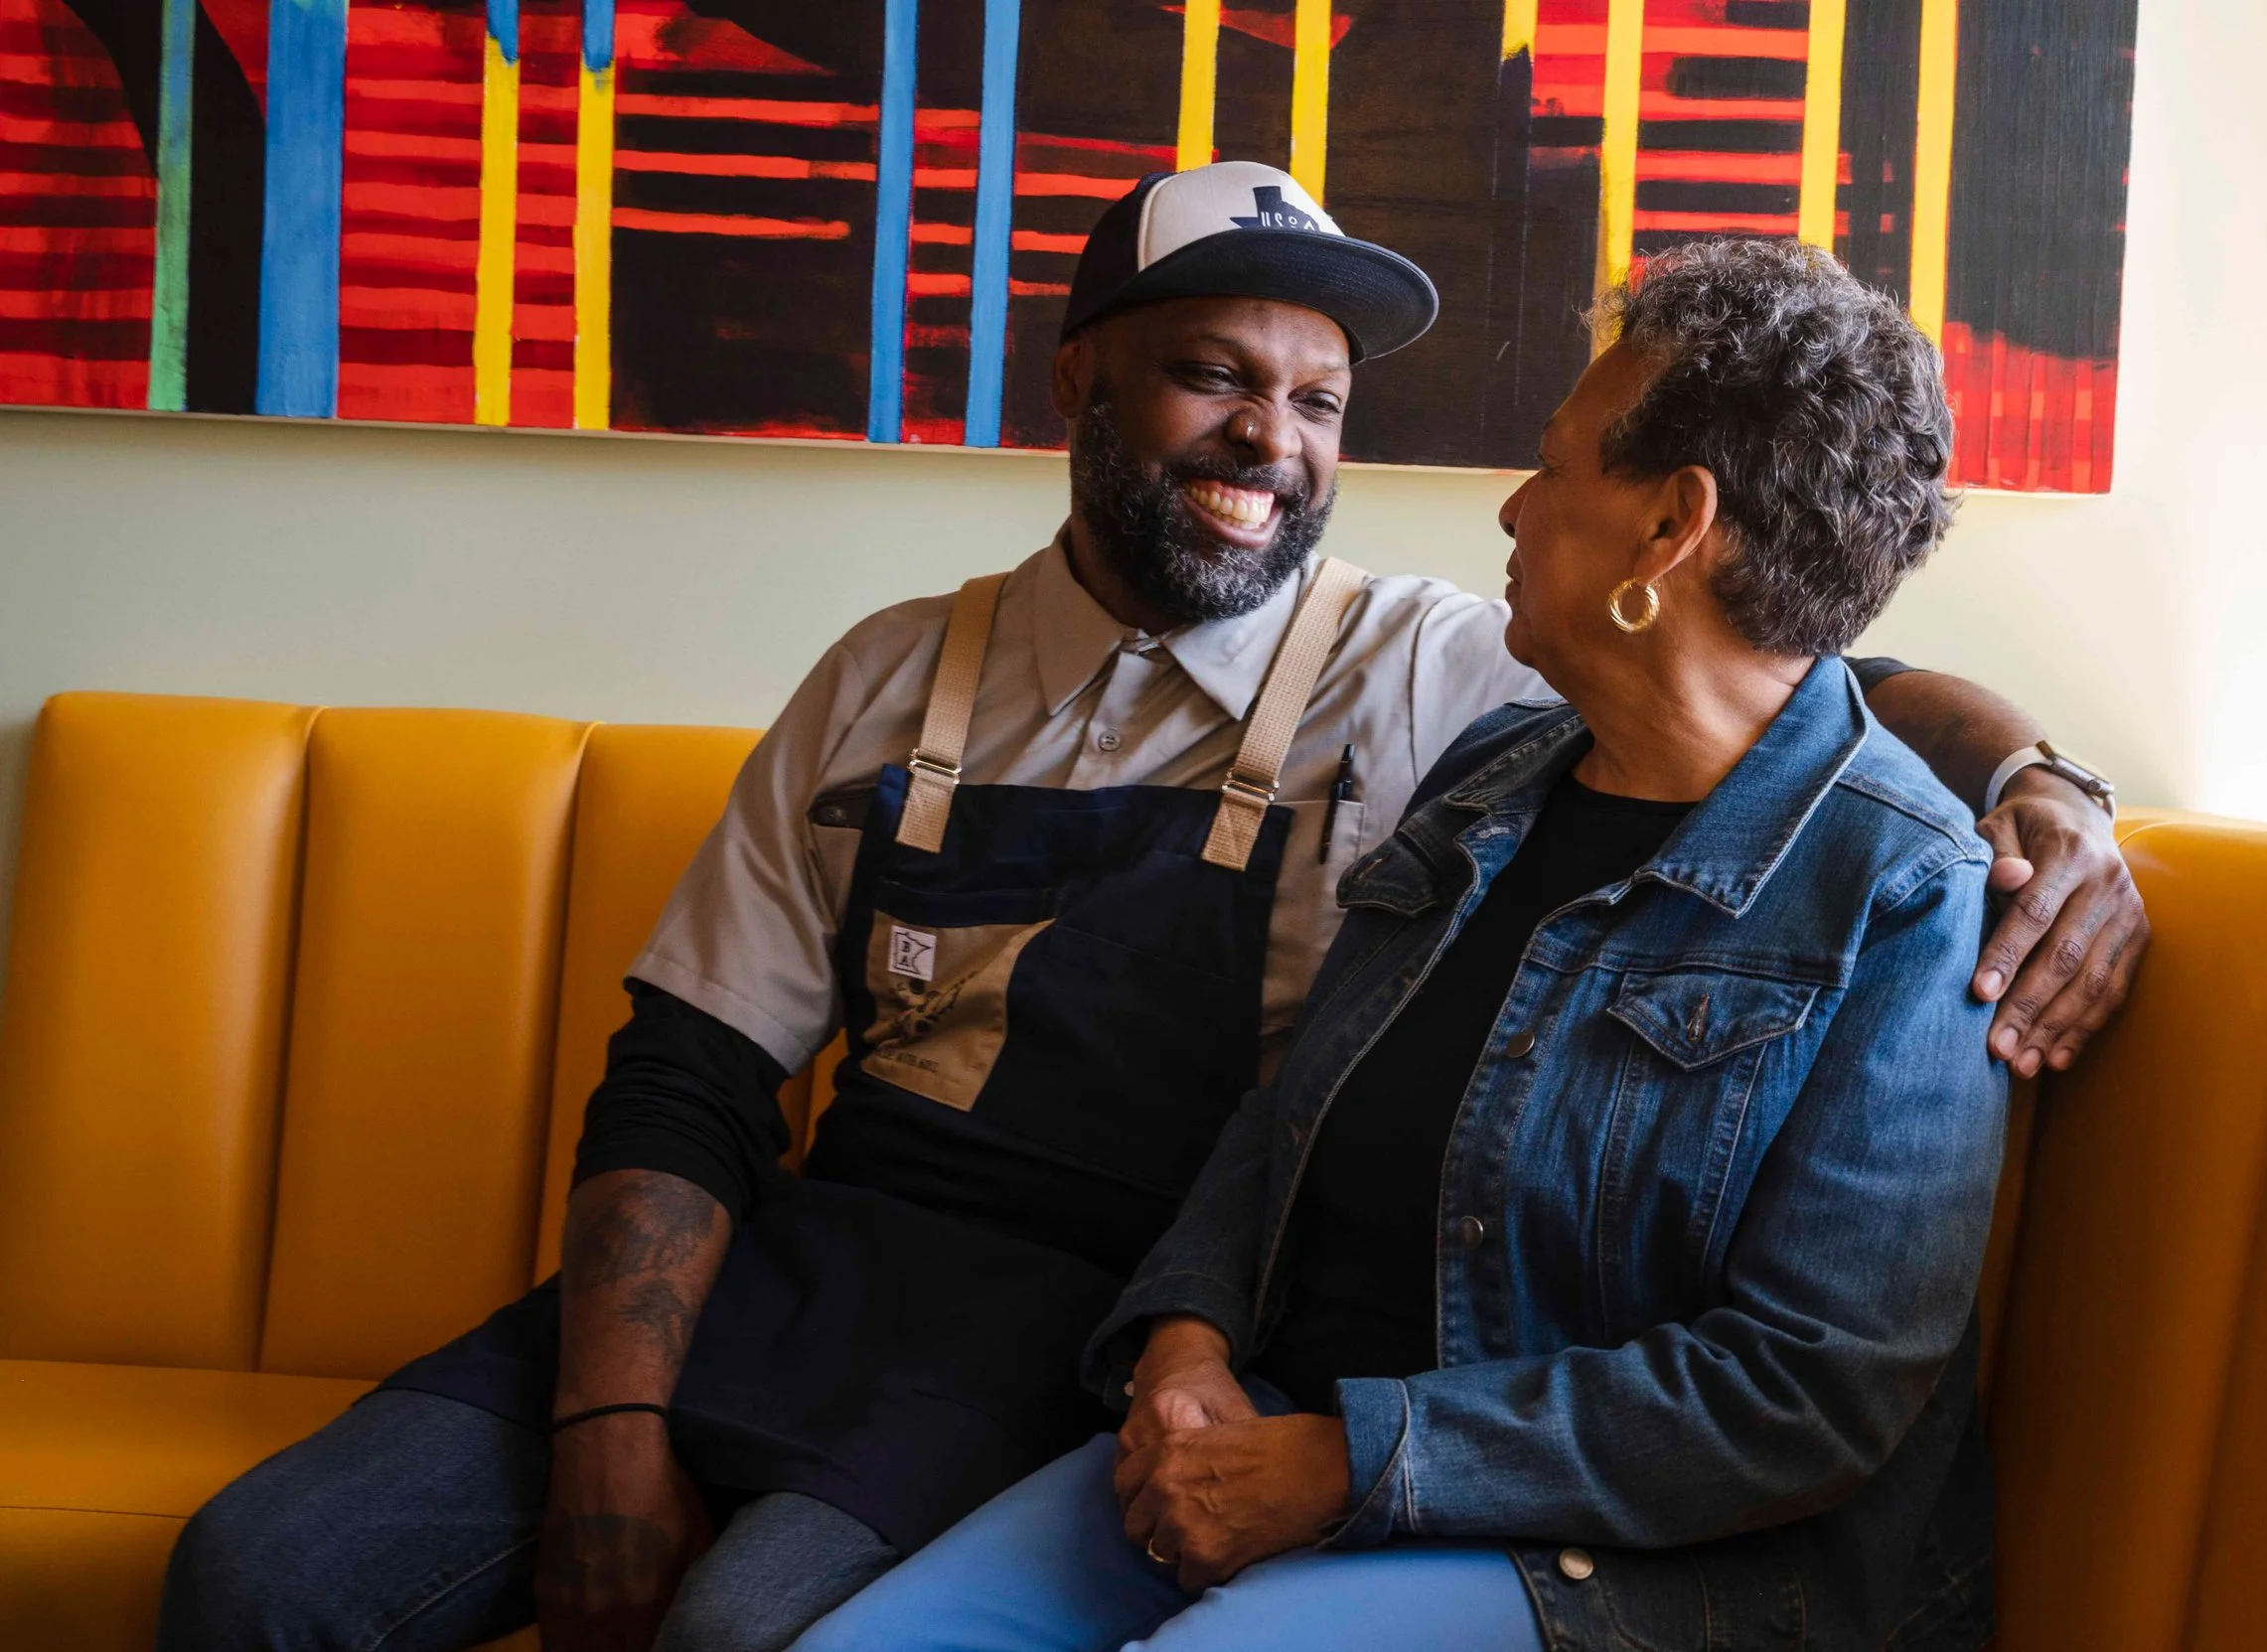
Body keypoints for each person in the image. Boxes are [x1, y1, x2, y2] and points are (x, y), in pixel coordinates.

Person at [159, 168, 2129, 1652]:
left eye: (1320, 395)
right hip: (875, 1284)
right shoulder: (906, 680)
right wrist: (617, 1420)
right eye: (1213, 372)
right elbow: (689, 1080)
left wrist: (2039, 782)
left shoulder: (1438, 678)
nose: (1277, 440)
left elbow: (1801, 695)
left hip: (1075, 1345)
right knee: (251, 1579)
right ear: (1084, 367)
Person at [796, 234, 2007, 1652]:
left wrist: (1343, 1462)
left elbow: (1804, 1396)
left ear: (1670, 527)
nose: (1510, 508)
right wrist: (1182, 1346)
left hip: (1606, 1564)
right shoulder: (1491, 774)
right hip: (1281, 1443)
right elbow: (1284, 1123)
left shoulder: (1903, 891)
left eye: (1552, 470)